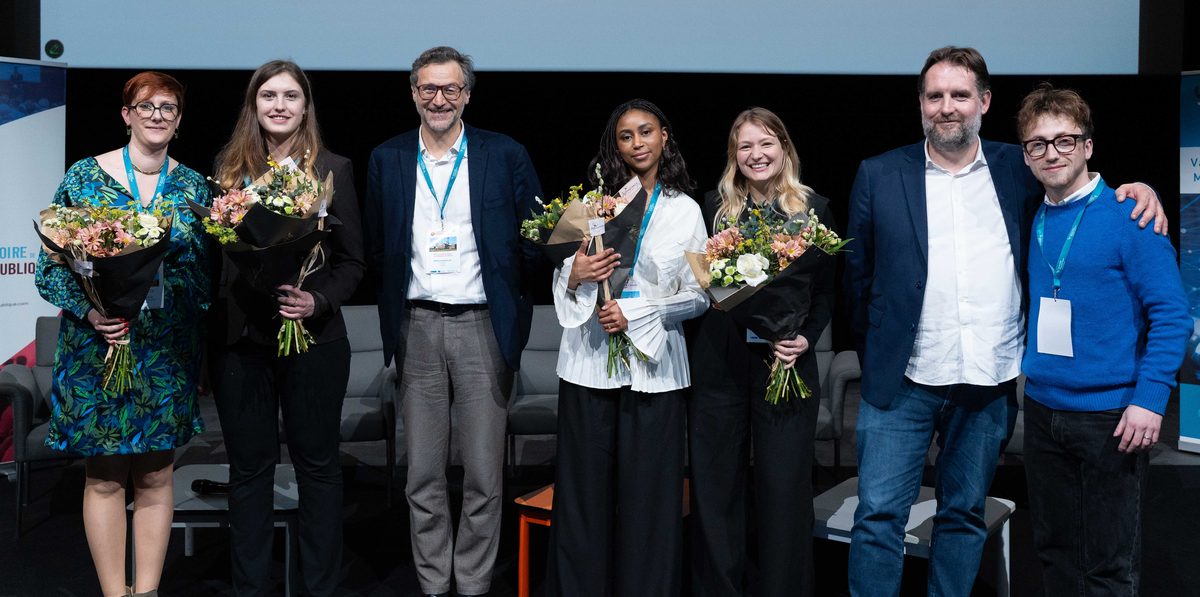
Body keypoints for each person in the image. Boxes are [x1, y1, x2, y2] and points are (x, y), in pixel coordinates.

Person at [842, 46, 1165, 596]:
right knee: (875, 519)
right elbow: (857, 279)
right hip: (903, 383)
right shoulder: (878, 174)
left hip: (988, 384)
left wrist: (1136, 188)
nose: (948, 106)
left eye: (960, 95)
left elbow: (1076, 186)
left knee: (964, 516)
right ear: (920, 104)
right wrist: (878, 353)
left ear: (984, 102)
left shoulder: (1019, 166)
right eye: (936, 95)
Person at [363, 46, 542, 597]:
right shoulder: (387, 158)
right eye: (428, 89)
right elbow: (377, 248)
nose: (439, 99)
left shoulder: (504, 153)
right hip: (416, 327)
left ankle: (473, 581)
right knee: (422, 474)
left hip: (482, 327)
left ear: (467, 94)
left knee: (485, 475)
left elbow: (535, 237)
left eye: (450, 89)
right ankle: (434, 581)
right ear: (413, 92)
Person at [34, 71, 209, 597]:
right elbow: (51, 268)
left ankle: (148, 591)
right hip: (98, 345)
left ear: (178, 121)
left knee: (157, 473)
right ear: (126, 114)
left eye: (169, 107)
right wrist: (93, 315)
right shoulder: (85, 177)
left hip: (164, 350)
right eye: (147, 105)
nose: (158, 115)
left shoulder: (194, 185)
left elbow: (201, 276)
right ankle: (115, 592)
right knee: (106, 474)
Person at [1016, 84, 1189, 595]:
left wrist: (1150, 400)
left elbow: (1173, 315)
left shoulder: (1131, 217)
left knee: (1109, 564)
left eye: (1064, 140)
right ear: (1026, 155)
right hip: (1044, 411)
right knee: (1054, 550)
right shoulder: (1036, 214)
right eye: (1038, 144)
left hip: (1111, 418)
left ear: (1088, 146)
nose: (1051, 153)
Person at [209, 59, 364, 596]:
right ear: (254, 105)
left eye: (291, 96)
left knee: (318, 468)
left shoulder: (333, 170)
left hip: (314, 342)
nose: (279, 105)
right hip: (242, 344)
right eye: (268, 95)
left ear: (305, 106)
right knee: (249, 472)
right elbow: (219, 264)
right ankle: (249, 587)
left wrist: (315, 299)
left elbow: (354, 263)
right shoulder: (227, 174)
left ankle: (318, 587)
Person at [545, 98, 708, 597]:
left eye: (646, 132)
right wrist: (575, 275)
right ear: (613, 145)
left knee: (650, 502)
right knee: (582, 500)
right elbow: (561, 278)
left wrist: (639, 313)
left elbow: (701, 294)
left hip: (656, 371)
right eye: (625, 136)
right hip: (589, 365)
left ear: (664, 137)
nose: (637, 143)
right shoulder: (591, 204)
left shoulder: (686, 210)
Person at [686, 107, 836, 597]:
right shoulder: (713, 209)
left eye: (766, 143)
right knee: (717, 488)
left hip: (786, 362)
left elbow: (830, 290)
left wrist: (806, 337)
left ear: (784, 149)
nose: (757, 154)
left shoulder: (814, 209)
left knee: (783, 492)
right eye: (745, 146)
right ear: (734, 156)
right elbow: (704, 288)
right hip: (720, 364)